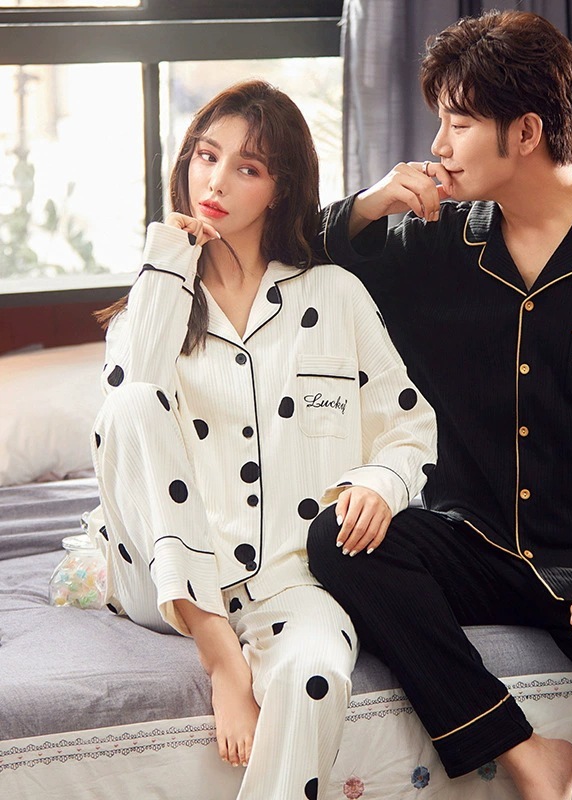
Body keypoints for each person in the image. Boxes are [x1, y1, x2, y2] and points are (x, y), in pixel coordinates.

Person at [307, 10, 572, 800]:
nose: (438, 145)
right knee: (340, 539)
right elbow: (299, 255)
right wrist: (368, 204)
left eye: (459, 123)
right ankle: (521, 747)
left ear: (526, 132)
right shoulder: (431, 241)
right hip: (477, 538)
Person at [88, 79, 436, 800]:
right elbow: (130, 405)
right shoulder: (151, 304)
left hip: (289, 575)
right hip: (163, 580)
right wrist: (169, 262)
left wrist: (379, 482)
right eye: (205, 156)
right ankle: (221, 655)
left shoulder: (336, 295)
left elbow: (408, 424)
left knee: (317, 674)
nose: (215, 181)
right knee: (135, 401)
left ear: (281, 189)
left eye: (247, 167)